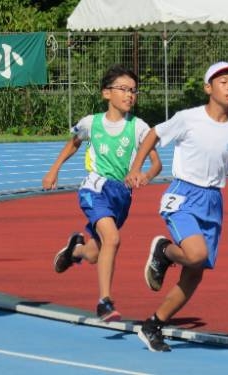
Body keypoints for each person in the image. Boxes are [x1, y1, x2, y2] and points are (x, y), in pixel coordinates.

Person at [125, 61, 228, 352]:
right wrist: (136, 169)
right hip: (185, 194)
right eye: (224, 81)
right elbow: (153, 134)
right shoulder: (188, 118)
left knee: (195, 271)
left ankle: (154, 323)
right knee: (196, 253)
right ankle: (164, 250)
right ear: (208, 88)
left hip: (213, 200)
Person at [42, 65, 162, 322]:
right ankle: (104, 302)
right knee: (113, 239)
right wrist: (54, 170)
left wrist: (144, 175)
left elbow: (156, 163)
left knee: (95, 254)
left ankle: (76, 250)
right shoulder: (91, 123)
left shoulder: (139, 127)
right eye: (123, 89)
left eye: (133, 91)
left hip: (122, 196)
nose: (130, 95)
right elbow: (73, 143)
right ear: (106, 93)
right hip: (95, 188)